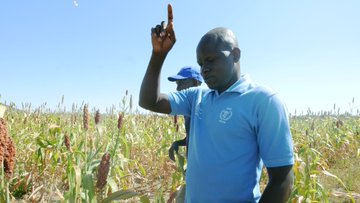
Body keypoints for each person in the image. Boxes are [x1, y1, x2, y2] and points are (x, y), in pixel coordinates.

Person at [139, 4, 294, 203]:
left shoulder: (264, 101)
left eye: (211, 60)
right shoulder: (196, 97)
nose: (205, 69)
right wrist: (158, 55)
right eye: (201, 63)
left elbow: (283, 179)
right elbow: (149, 101)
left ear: (236, 55)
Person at [167, 66, 203, 161]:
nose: (178, 88)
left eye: (181, 83)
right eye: (177, 84)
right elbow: (191, 138)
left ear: (195, 83)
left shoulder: (203, 107)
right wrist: (177, 143)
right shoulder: (188, 109)